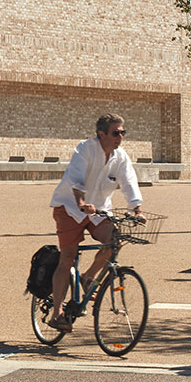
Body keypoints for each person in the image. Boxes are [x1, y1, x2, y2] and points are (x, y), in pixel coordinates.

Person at [44, 113, 143, 329]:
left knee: (114, 242)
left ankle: (88, 277)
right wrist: (80, 202)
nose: (120, 137)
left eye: (123, 132)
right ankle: (57, 313)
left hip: (98, 210)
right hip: (70, 207)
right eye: (116, 133)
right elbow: (75, 177)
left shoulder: (120, 156)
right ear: (102, 134)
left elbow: (129, 182)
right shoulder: (85, 149)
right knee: (67, 257)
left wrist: (136, 209)